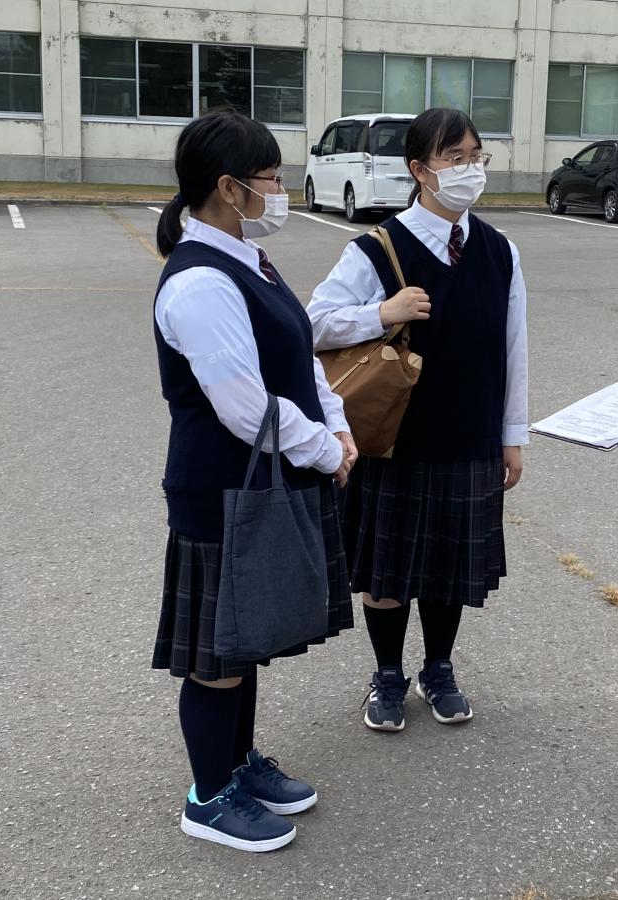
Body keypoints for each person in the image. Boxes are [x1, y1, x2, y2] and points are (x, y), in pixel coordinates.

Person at [151, 109, 357, 852]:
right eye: (270, 177)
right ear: (228, 187)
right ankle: (208, 798)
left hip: (264, 478)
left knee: (244, 640)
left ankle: (236, 766)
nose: (280, 189)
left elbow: (299, 356)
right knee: (218, 659)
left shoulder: (248, 258)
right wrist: (326, 451)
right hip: (223, 490)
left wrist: (337, 425)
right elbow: (244, 406)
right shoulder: (199, 283)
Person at [307, 107, 529, 732]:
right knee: (386, 569)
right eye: (454, 158)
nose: (469, 170)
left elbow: (514, 348)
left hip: (470, 436)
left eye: (476, 157)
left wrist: (512, 435)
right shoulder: (376, 248)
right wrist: (381, 313)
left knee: (449, 568)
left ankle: (438, 668)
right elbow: (313, 323)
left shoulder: (501, 251)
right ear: (419, 170)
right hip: (394, 439)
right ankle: (387, 673)